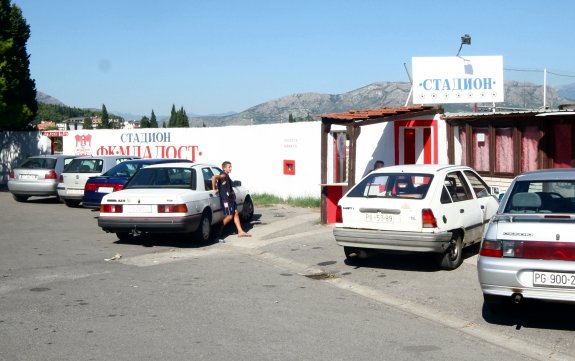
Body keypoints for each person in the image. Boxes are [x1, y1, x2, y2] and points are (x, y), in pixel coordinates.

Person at [212, 161, 250, 242]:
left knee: (235, 213)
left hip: (231, 199)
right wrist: (214, 189)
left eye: (231, 166)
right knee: (229, 216)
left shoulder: (226, 176)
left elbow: (224, 186)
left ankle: (240, 231)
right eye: (229, 167)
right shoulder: (223, 175)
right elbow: (214, 177)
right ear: (224, 168)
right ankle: (218, 233)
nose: (231, 168)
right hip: (226, 200)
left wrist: (219, 189)